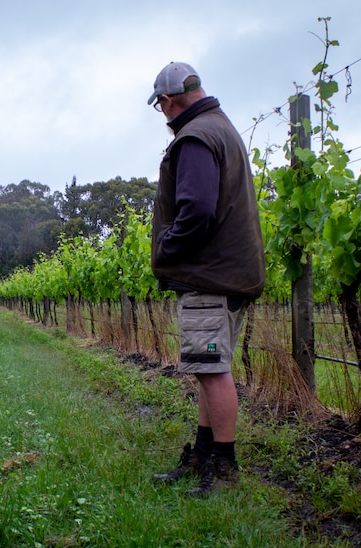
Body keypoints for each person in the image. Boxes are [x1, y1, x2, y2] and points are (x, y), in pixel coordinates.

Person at [147, 62, 266, 497]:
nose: (162, 114)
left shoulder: (195, 137)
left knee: (213, 372)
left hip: (209, 276)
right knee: (208, 367)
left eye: (160, 106)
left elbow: (195, 209)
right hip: (228, 273)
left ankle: (226, 466)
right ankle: (202, 454)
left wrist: (167, 249)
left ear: (168, 100)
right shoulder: (221, 126)